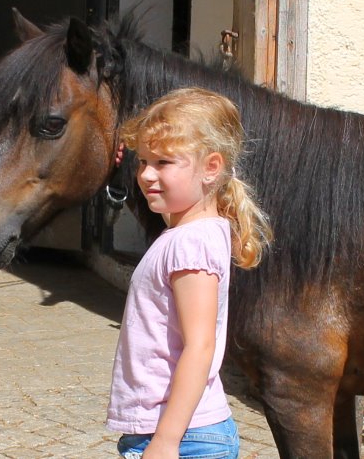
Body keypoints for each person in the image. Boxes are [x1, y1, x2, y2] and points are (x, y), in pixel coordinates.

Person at [107, 87, 273, 459]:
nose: (147, 174)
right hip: (181, 432)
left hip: (183, 437)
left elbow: (200, 346)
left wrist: (165, 442)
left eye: (164, 162)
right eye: (142, 161)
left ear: (210, 168)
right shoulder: (194, 234)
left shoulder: (190, 244)